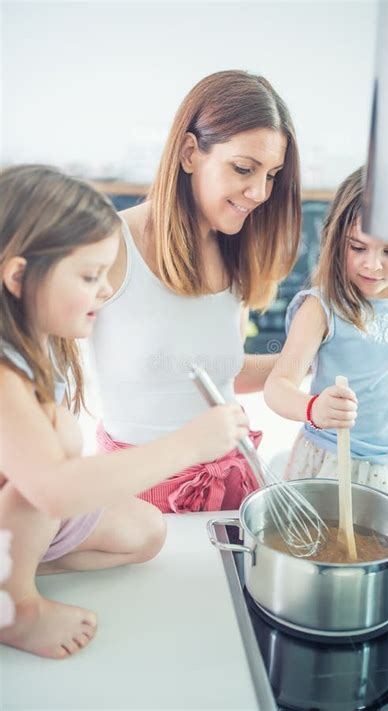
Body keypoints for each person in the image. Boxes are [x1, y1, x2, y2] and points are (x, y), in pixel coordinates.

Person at [0, 165, 249, 659]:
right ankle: (14, 606)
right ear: (20, 276)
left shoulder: (36, 348)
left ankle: (15, 571)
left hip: (19, 525)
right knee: (48, 481)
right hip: (26, 508)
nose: (106, 290)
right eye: (91, 276)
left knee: (148, 533)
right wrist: (188, 444)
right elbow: (54, 493)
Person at [91, 69, 302, 512]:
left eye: (272, 175)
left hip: (229, 486)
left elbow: (217, 372)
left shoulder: (236, 255)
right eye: (244, 168)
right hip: (133, 496)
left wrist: (307, 356)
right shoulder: (110, 245)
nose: (260, 192)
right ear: (190, 152)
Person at [264, 167, 388, 505]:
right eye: (358, 247)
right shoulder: (321, 308)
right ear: (335, 238)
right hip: (338, 460)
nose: (373, 265)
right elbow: (277, 386)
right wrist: (313, 408)